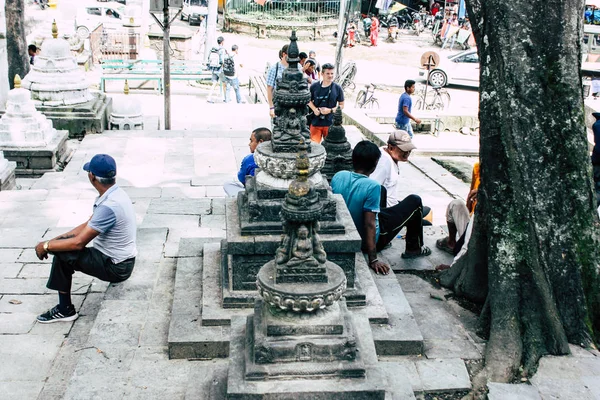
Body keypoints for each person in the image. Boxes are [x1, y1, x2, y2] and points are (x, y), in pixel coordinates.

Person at [35, 154, 137, 323]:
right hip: (121, 260)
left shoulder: (109, 206)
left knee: (63, 255)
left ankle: (64, 310)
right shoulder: (115, 194)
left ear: (92, 176)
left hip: (117, 267)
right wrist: (54, 242)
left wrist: (47, 246)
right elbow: (87, 225)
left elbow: (78, 243)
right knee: (61, 248)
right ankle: (64, 308)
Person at [331, 141, 431, 275]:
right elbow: (369, 224)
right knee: (414, 201)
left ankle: (409, 218)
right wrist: (373, 259)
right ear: (374, 165)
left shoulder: (339, 176)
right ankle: (414, 248)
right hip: (367, 240)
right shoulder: (372, 187)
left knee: (383, 191)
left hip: (347, 230)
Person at [436, 162, 480, 257]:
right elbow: (471, 197)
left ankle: (460, 248)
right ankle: (451, 243)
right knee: (456, 204)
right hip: (471, 226)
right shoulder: (478, 167)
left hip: (480, 233)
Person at [223, 127, 272, 197]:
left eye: (251, 141)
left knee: (228, 185)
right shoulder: (275, 157)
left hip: (254, 193)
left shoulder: (250, 159)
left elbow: (242, 178)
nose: (249, 144)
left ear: (260, 142)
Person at [307, 63, 345, 143]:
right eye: (328, 73)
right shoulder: (314, 86)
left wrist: (330, 110)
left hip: (330, 123)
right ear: (322, 74)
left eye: (332, 73)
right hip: (316, 121)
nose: (330, 76)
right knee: (313, 147)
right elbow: (308, 100)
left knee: (331, 147)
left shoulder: (337, 88)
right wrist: (314, 109)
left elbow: (341, 105)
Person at [266, 45, 292, 118]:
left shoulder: (298, 67)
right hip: (278, 104)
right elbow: (269, 89)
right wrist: (271, 107)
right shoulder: (274, 69)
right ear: (284, 54)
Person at [207, 36, 226, 103]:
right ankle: (225, 98)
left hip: (213, 68)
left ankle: (209, 98)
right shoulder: (222, 50)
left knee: (214, 83)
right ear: (222, 42)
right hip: (219, 69)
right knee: (224, 83)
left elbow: (208, 58)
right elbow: (222, 60)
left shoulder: (213, 49)